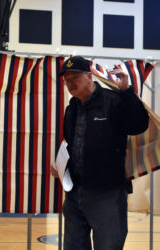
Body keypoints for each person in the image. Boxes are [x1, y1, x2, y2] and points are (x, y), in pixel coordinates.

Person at [51, 56, 149, 250]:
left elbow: (139, 125)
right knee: (73, 246)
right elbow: (70, 145)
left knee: (108, 246)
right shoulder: (71, 109)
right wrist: (61, 168)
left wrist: (127, 92)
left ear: (89, 76)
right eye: (67, 80)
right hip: (74, 193)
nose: (70, 84)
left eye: (75, 78)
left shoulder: (113, 101)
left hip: (107, 194)